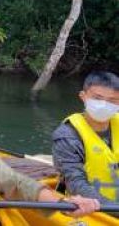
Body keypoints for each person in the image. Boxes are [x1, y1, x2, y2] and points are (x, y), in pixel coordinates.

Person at [53, 71, 119, 203]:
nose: (104, 105)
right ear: (83, 96)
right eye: (97, 98)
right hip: (89, 208)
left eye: (112, 100)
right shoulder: (67, 134)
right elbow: (76, 184)